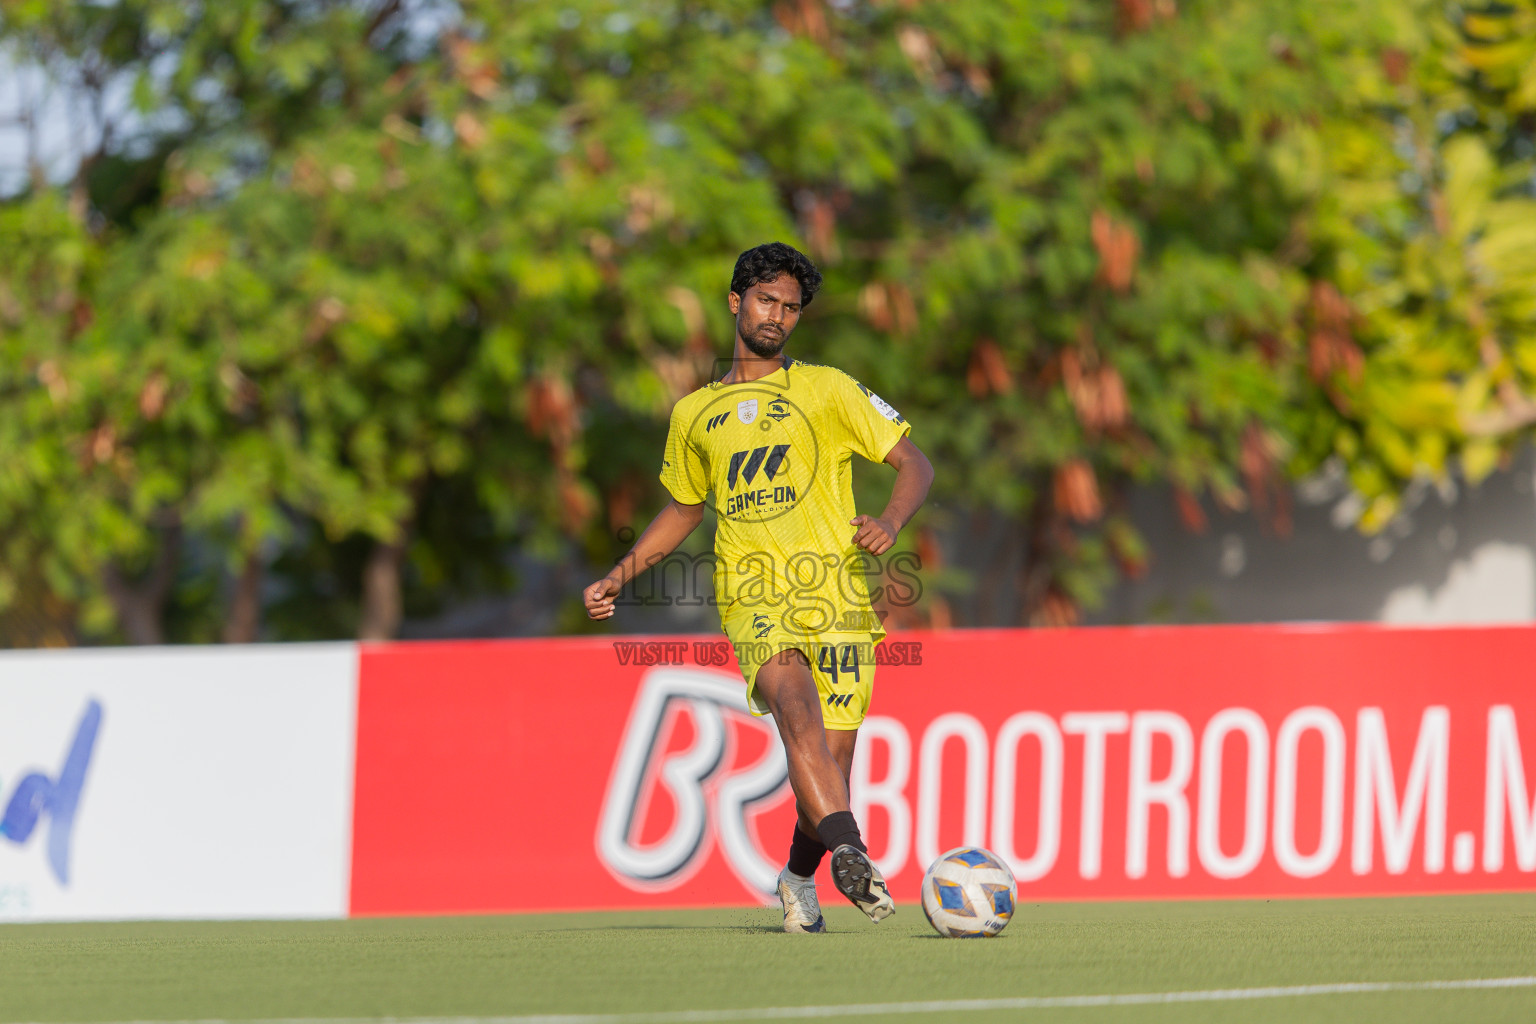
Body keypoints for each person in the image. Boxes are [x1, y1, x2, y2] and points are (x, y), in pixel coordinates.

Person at [583, 242, 933, 932]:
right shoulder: (694, 414)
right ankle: (854, 854)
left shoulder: (829, 389)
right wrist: (618, 576)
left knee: (829, 766)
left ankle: (799, 874)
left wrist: (891, 520)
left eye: (791, 307)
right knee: (795, 709)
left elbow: (914, 462)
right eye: (766, 300)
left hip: (836, 595)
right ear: (736, 302)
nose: (777, 315)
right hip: (752, 593)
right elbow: (683, 510)